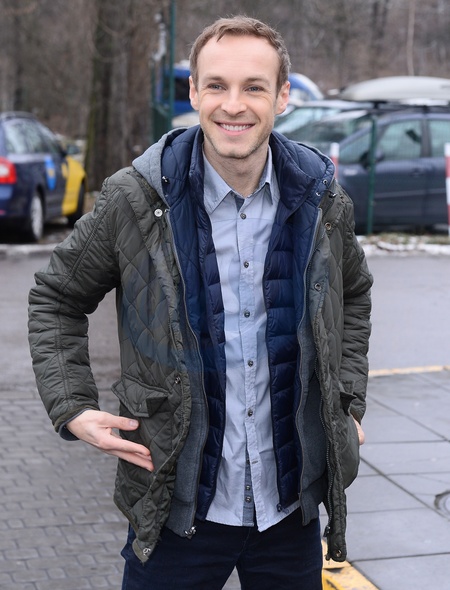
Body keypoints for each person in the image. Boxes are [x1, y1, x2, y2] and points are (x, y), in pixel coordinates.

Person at [28, 15, 372, 590]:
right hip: (175, 507)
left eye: (254, 87)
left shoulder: (322, 198)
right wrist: (72, 406)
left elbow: (354, 293)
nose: (233, 105)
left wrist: (348, 400)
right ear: (193, 93)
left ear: (282, 96)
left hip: (289, 512)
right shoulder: (136, 198)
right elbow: (56, 298)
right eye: (216, 85)